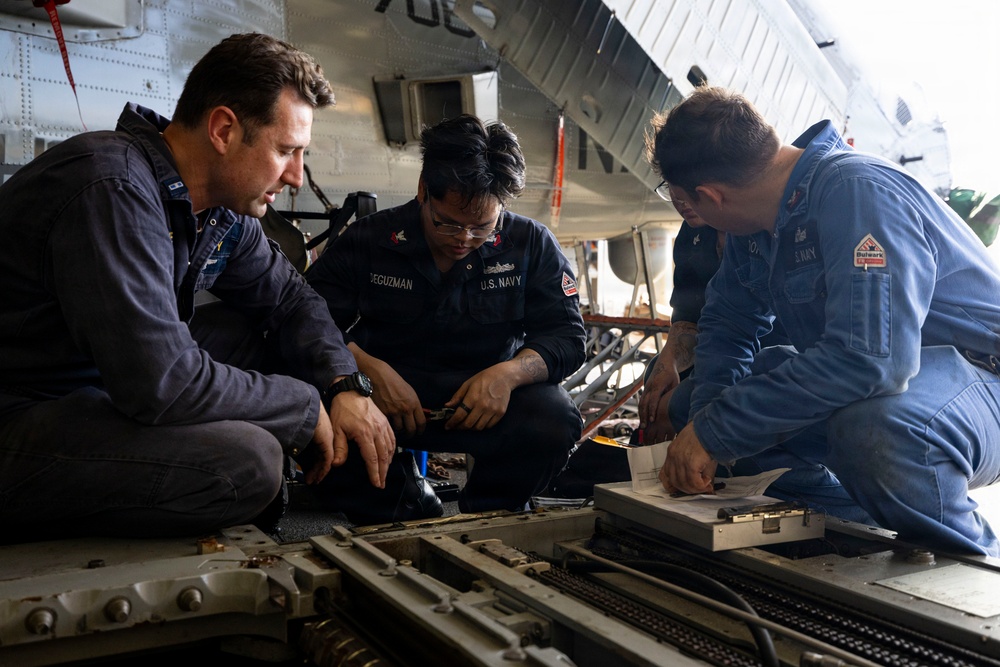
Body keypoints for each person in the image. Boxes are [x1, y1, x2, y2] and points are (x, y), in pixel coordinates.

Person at [0, 33, 395, 540]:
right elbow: (161, 383)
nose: (297, 176)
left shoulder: (216, 212)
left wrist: (344, 386)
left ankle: (355, 493)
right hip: (23, 409)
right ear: (224, 130)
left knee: (277, 343)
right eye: (285, 151)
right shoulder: (112, 188)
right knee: (247, 464)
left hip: (99, 384)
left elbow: (292, 301)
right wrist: (298, 406)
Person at [647, 86, 1000, 556]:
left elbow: (868, 362)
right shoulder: (754, 227)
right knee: (698, 403)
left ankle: (973, 577)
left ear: (710, 196)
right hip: (896, 385)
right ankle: (857, 536)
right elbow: (730, 323)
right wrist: (706, 432)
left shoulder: (856, 196)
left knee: (876, 430)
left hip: (981, 381)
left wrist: (714, 433)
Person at [306, 114, 586, 514]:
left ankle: (491, 513)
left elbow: (568, 339)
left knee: (554, 420)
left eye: (482, 228)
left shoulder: (532, 244)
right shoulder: (370, 239)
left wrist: (508, 375)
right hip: (380, 396)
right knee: (309, 410)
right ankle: (403, 503)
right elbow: (309, 320)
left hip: (486, 404)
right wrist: (361, 372)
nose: (464, 240)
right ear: (424, 190)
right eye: (449, 224)